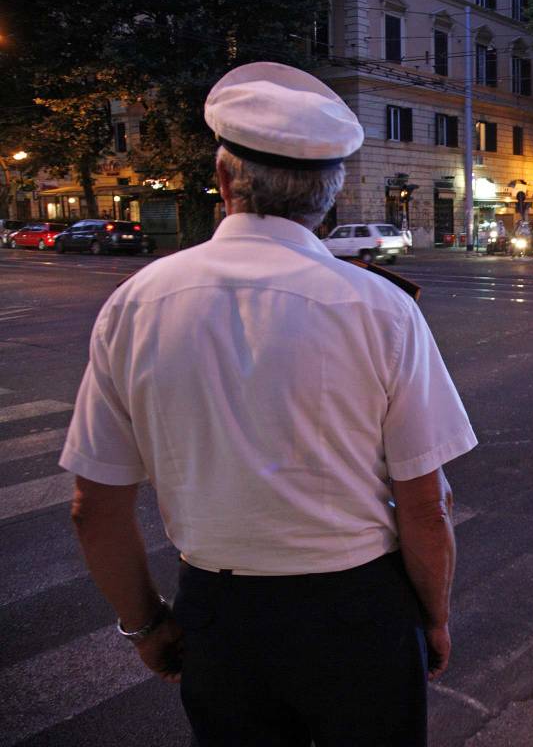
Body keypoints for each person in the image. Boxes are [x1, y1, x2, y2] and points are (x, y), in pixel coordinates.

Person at [62, 62, 477, 746]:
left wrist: (145, 624)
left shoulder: (135, 306)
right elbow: (427, 504)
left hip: (220, 617)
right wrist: (432, 615)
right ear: (329, 198)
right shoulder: (381, 310)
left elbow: (94, 508)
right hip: (360, 614)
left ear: (225, 181)